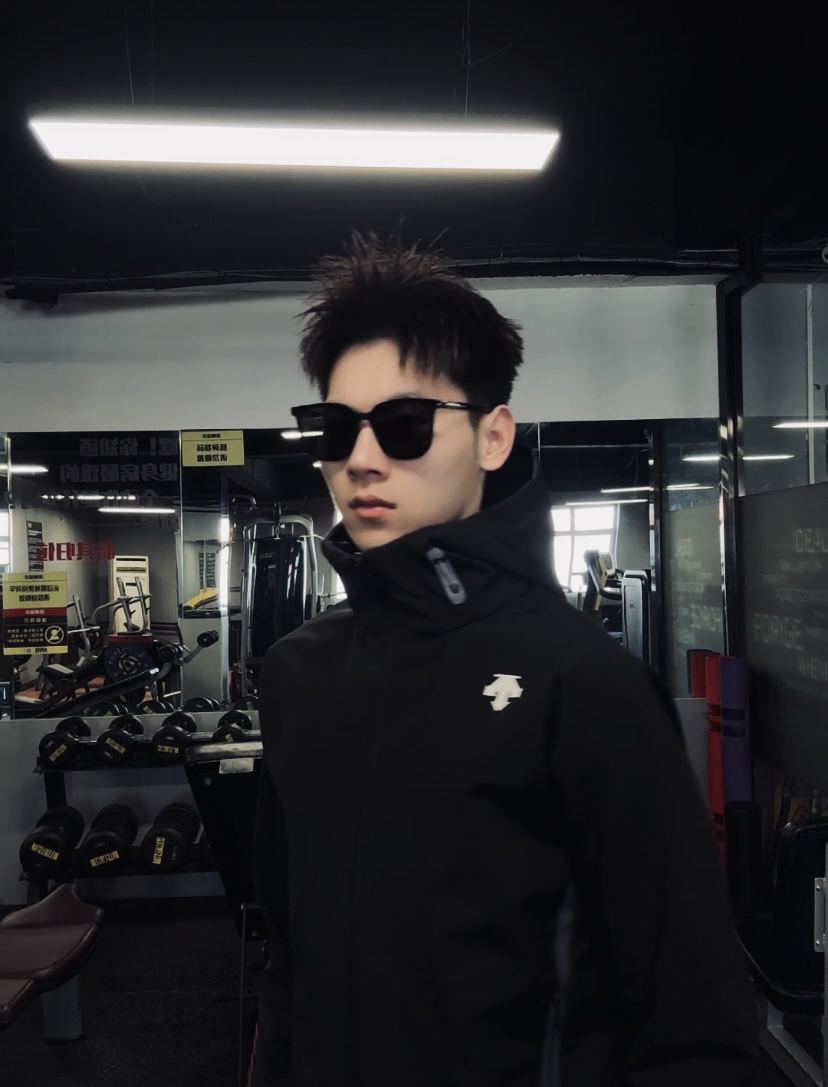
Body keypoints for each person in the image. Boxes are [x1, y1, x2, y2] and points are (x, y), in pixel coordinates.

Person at [251, 232, 758, 1087]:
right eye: (335, 429)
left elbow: (693, 1023)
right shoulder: (300, 674)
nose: (361, 460)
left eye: (405, 425)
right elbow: (289, 962)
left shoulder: (582, 681)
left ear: (493, 437)